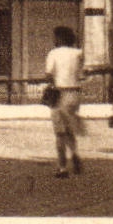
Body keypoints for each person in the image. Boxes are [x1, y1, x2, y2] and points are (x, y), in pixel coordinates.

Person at [44, 26, 86, 178]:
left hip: (60, 93)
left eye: (55, 37)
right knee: (69, 128)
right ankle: (74, 153)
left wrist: (51, 85)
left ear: (60, 38)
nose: (54, 40)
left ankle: (62, 168)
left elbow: (49, 74)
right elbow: (83, 74)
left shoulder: (54, 53)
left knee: (60, 133)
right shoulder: (78, 53)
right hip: (75, 94)